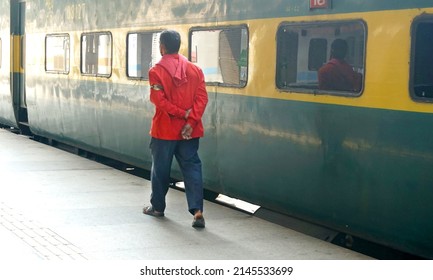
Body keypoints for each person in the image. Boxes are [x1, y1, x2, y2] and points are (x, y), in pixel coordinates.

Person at [143, 30, 208, 228]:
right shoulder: (195, 70)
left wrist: (182, 114)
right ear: (178, 46)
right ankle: (197, 211)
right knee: (192, 168)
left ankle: (158, 208)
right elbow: (202, 99)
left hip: (165, 131)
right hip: (190, 131)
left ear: (162, 47)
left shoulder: (156, 71)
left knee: (160, 170)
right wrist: (190, 120)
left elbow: (158, 100)